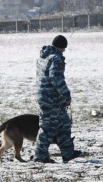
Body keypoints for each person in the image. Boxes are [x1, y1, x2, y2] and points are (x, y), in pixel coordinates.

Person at [33, 35, 81, 163]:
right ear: (62, 47)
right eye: (64, 48)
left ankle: (68, 153)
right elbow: (56, 78)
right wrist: (66, 95)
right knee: (47, 128)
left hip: (47, 98)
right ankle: (40, 156)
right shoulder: (55, 59)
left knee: (64, 125)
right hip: (52, 99)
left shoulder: (43, 58)